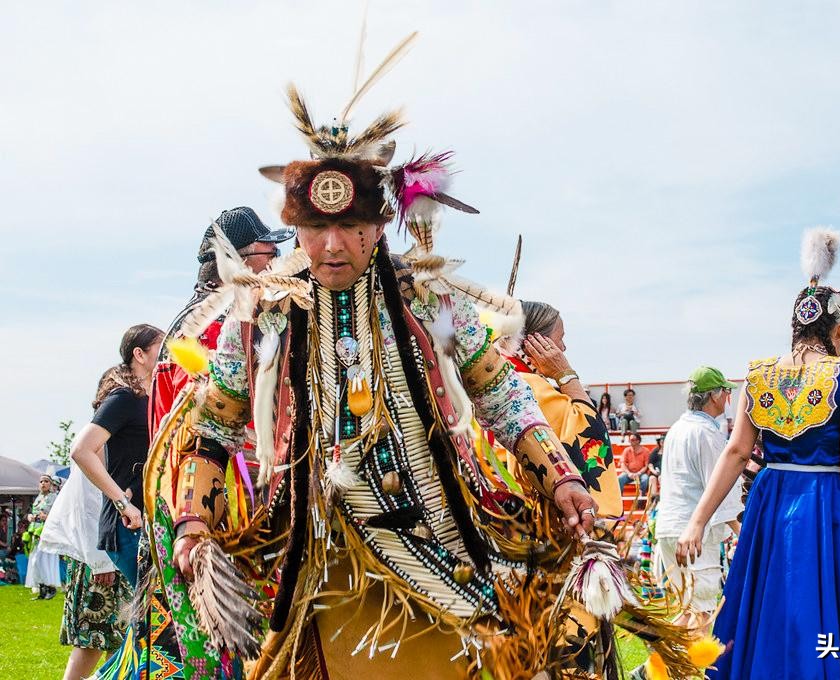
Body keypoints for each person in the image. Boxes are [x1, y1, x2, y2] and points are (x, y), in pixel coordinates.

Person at [111, 49, 687, 680]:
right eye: (315, 227)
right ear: (295, 229)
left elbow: (500, 394)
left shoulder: (426, 300)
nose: (333, 244)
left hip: (443, 547)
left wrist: (562, 477)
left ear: (380, 223)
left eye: (351, 225)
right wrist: (193, 522)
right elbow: (213, 427)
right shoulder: (262, 316)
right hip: (314, 566)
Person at [678, 228, 840, 679]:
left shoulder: (759, 375)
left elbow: (736, 452)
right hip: (823, 503)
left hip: (770, 501)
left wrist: (698, 520)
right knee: (820, 612)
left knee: (766, 610)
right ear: (838, 329)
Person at [149, 207, 294, 434]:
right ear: (239, 264)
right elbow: (203, 425)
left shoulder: (201, 319)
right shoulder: (212, 326)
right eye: (272, 254)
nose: (278, 262)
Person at [498, 300, 622, 515]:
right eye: (560, 338)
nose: (563, 348)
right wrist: (566, 374)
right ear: (536, 343)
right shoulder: (530, 386)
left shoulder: (501, 378)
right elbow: (588, 429)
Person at [39, 395, 131, 680]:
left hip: (116, 554)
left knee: (119, 642)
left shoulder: (115, 443)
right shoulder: (96, 446)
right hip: (99, 559)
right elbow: (87, 506)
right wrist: (100, 562)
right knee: (92, 641)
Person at [71, 324, 164, 586]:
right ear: (139, 354)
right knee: (154, 604)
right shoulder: (124, 398)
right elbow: (82, 451)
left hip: (151, 516)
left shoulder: (155, 399)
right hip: (128, 525)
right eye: (161, 346)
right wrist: (122, 501)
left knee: (163, 605)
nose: (169, 352)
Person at [657, 367, 742, 623]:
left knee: (688, 609)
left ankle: (660, 649)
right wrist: (741, 531)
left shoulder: (676, 429)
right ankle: (675, 650)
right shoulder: (707, 433)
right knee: (701, 612)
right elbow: (720, 486)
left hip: (669, 528)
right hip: (695, 534)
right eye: (725, 391)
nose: (728, 397)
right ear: (714, 396)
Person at [24, 472, 62, 599]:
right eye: (41, 481)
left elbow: (59, 515)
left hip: (47, 532)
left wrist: (47, 517)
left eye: (46, 481)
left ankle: (50, 587)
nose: (43, 484)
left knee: (43, 560)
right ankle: (42, 588)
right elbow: (32, 512)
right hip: (35, 532)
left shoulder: (54, 497)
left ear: (50, 484)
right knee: (35, 560)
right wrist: (30, 516)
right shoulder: (38, 498)